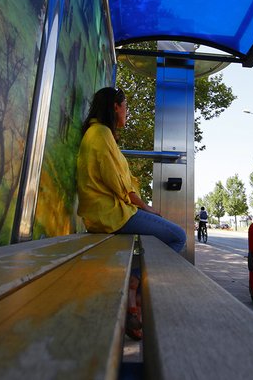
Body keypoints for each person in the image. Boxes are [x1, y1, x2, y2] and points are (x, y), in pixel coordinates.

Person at [77, 87, 187, 340]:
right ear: (115, 106)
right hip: (112, 215)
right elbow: (119, 184)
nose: (127, 112)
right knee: (177, 236)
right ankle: (134, 285)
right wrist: (147, 208)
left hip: (104, 214)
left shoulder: (97, 133)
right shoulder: (101, 133)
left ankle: (133, 295)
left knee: (155, 234)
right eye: (126, 106)